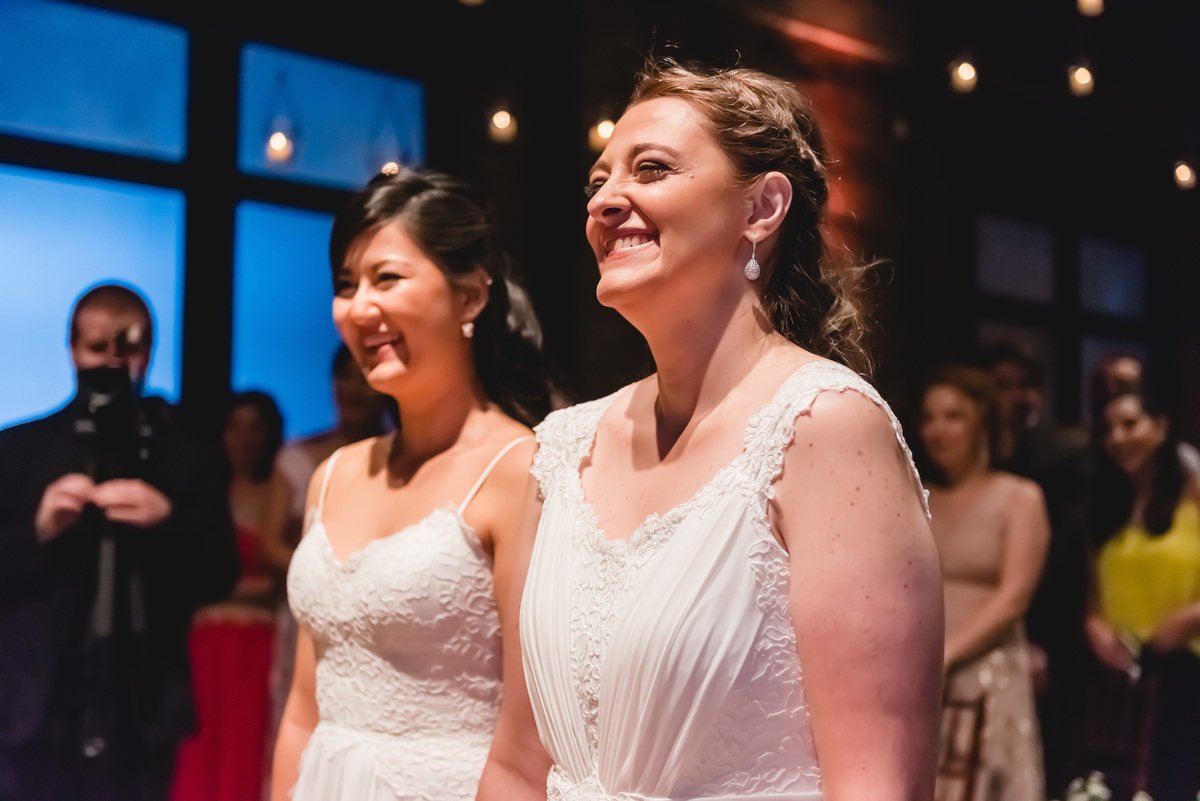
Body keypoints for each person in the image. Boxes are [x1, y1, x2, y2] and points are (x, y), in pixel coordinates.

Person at [479, 60, 943, 801]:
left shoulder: (824, 427)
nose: (606, 200)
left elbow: (876, 784)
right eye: (598, 181)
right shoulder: (564, 447)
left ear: (762, 207)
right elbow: (515, 764)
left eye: (651, 169)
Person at [270, 168, 553, 801]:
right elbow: (302, 711)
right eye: (346, 285)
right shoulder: (332, 475)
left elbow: (530, 737)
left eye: (386, 278)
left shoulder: (520, 470)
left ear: (470, 297)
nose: (359, 308)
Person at [0, 284, 240, 801]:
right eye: (97, 347)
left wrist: (168, 520)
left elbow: (221, 574)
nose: (112, 363)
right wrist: (38, 530)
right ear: (72, 350)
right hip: (32, 707)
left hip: (143, 708)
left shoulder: (185, 456)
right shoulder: (18, 450)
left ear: (149, 351)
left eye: (126, 349)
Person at [919, 367, 1049, 801]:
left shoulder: (1019, 496)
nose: (938, 430)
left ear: (984, 425)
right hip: (922, 671)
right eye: (929, 417)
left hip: (987, 671)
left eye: (953, 416)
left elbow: (1014, 597)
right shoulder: (919, 496)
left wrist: (950, 653)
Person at [171, 391, 289, 801]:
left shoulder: (279, 492)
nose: (245, 438)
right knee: (201, 754)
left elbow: (280, 581)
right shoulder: (205, 491)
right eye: (235, 427)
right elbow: (184, 576)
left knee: (246, 752)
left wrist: (217, 586)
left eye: (255, 428)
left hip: (257, 647)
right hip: (204, 646)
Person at [984, 344, 1090, 796]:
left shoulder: (1060, 455)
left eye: (1023, 386)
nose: (1013, 397)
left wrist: (1038, 639)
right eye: (1001, 386)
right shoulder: (981, 451)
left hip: (1045, 626)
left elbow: (1062, 560)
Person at [1085, 386, 1200, 801]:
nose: (1118, 437)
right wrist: (1094, 625)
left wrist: (1190, 616)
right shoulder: (1102, 504)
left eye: (1130, 424)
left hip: (1187, 665)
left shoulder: (1193, 492)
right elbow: (1091, 589)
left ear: (1160, 427)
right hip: (1121, 675)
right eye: (1108, 429)